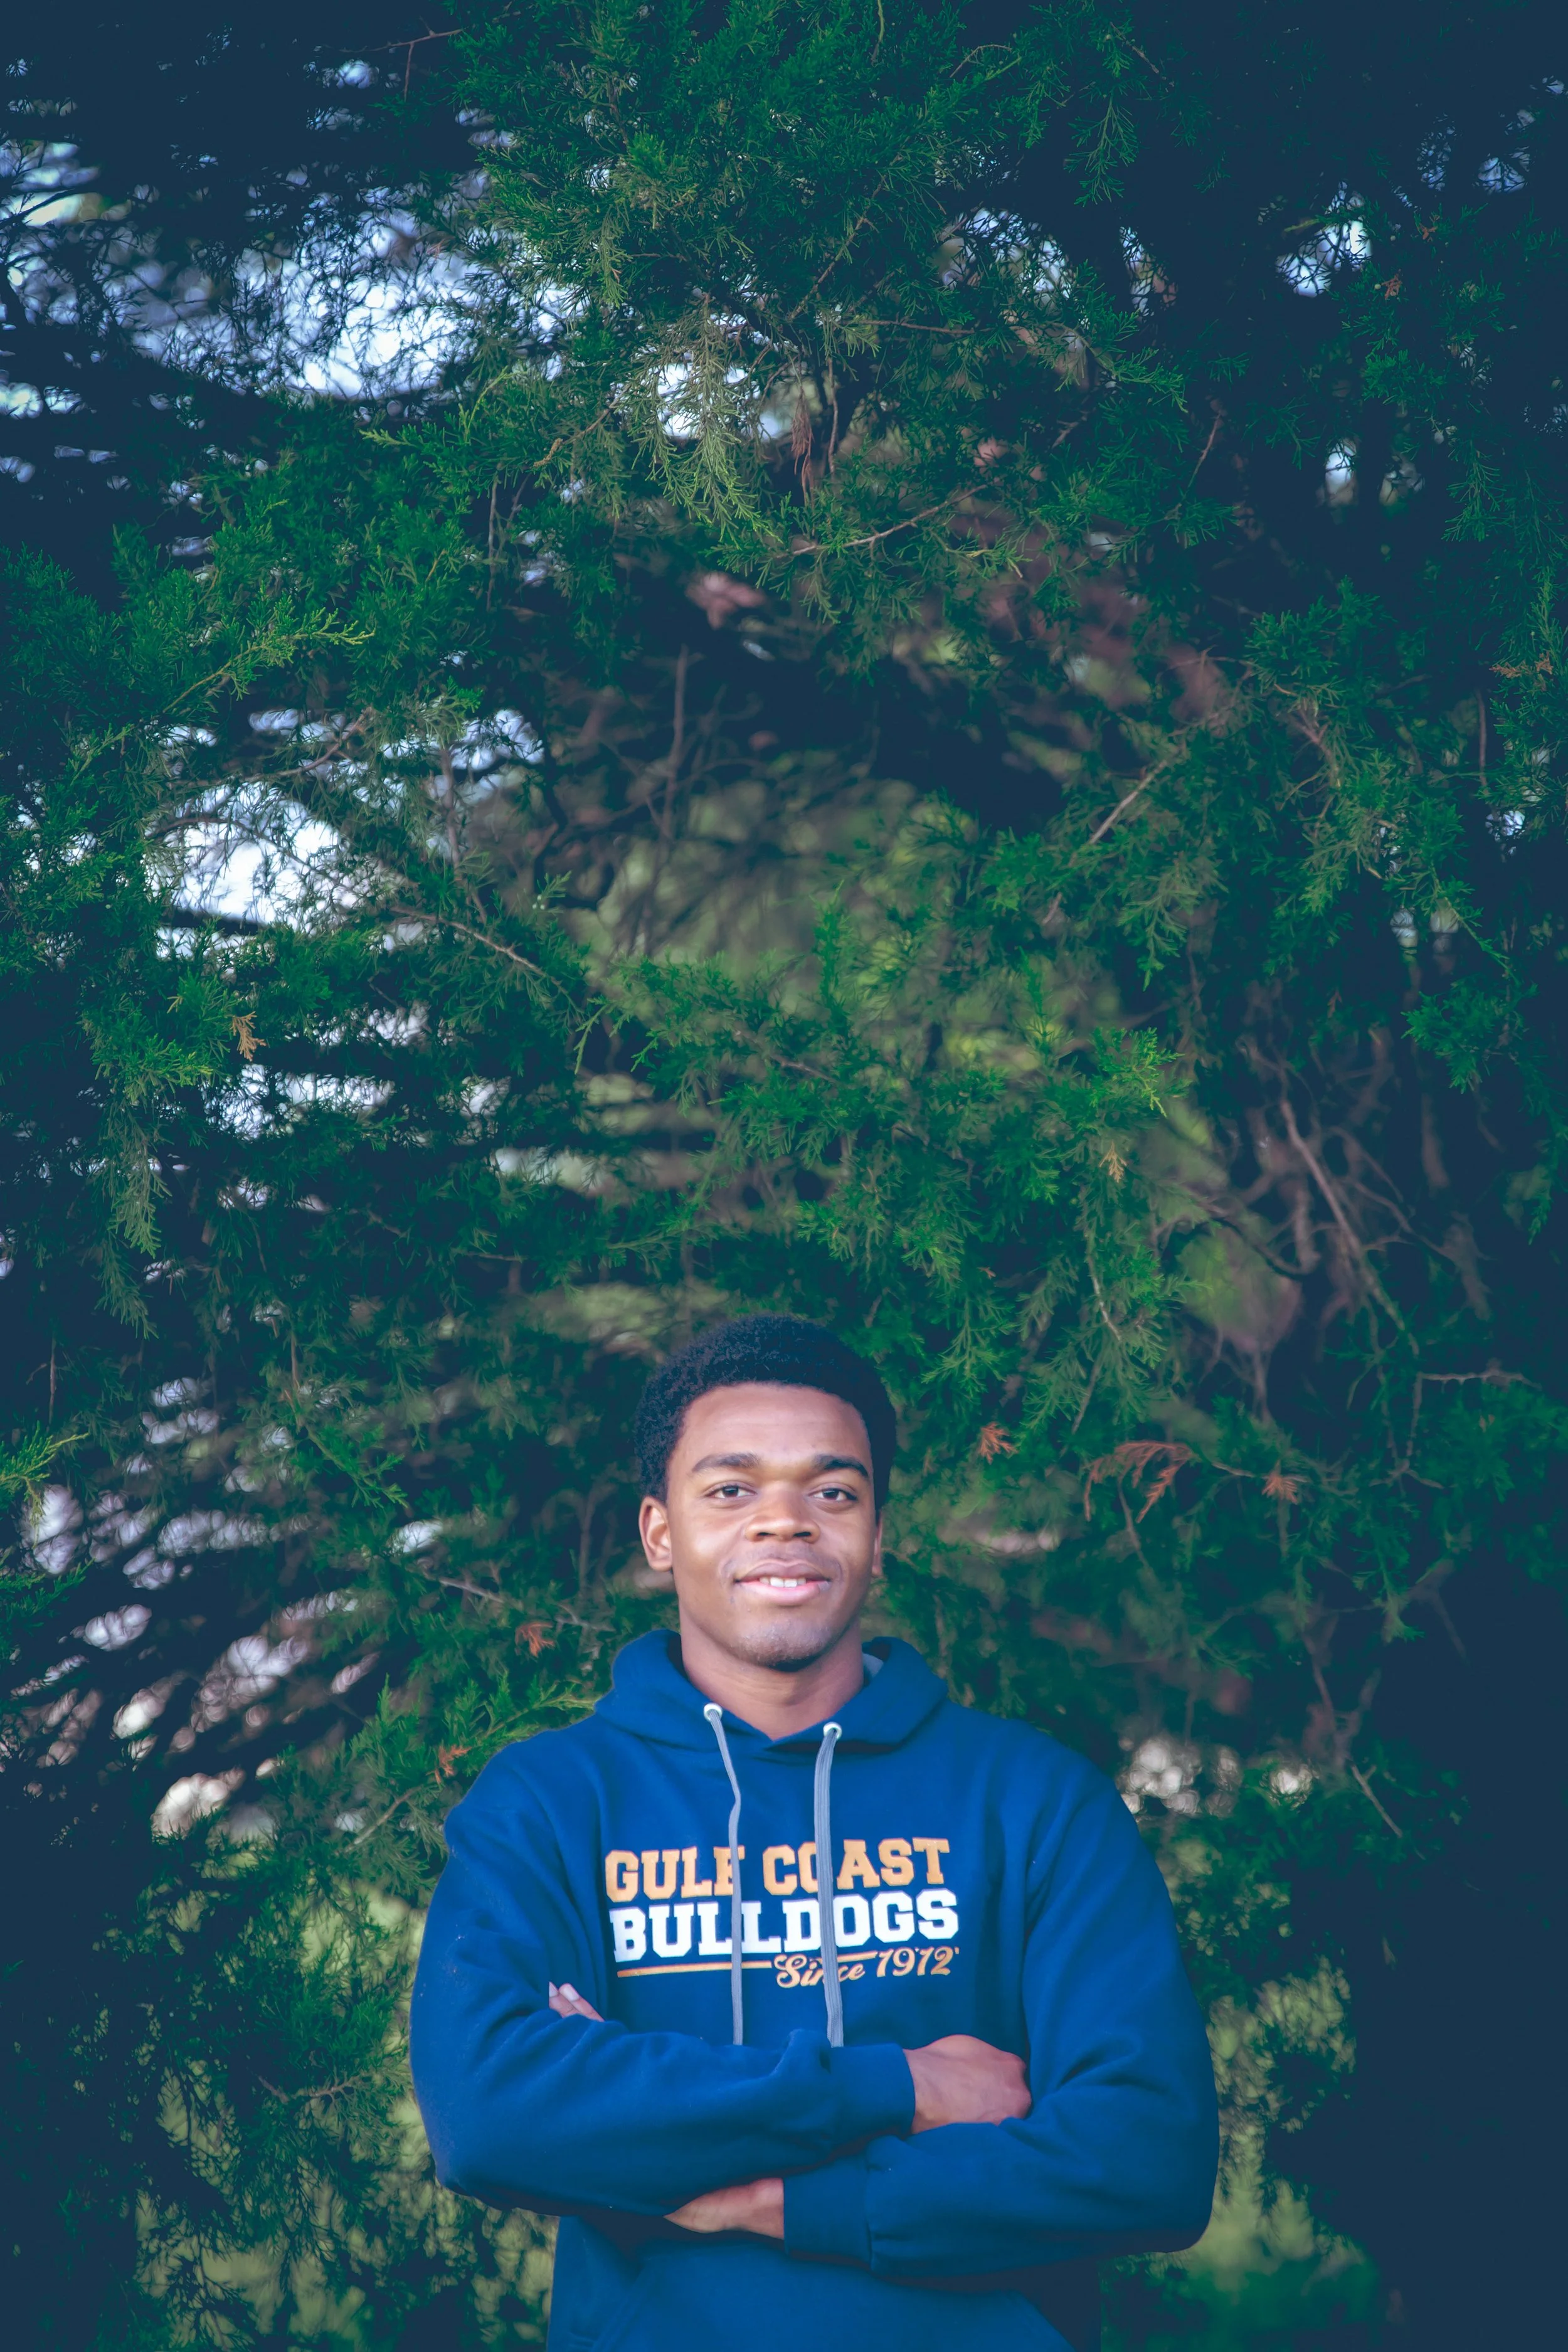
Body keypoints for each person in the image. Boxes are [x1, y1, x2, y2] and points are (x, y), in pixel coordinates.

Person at [410, 1315, 1217, 2352]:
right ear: (661, 1531)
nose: (785, 1521)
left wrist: (773, 2199)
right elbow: (493, 2115)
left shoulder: (1032, 1798)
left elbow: (1147, 2154)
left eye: (832, 1491)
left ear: (878, 1532)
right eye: (731, 1488)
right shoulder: (552, 1801)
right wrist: (907, 2085)